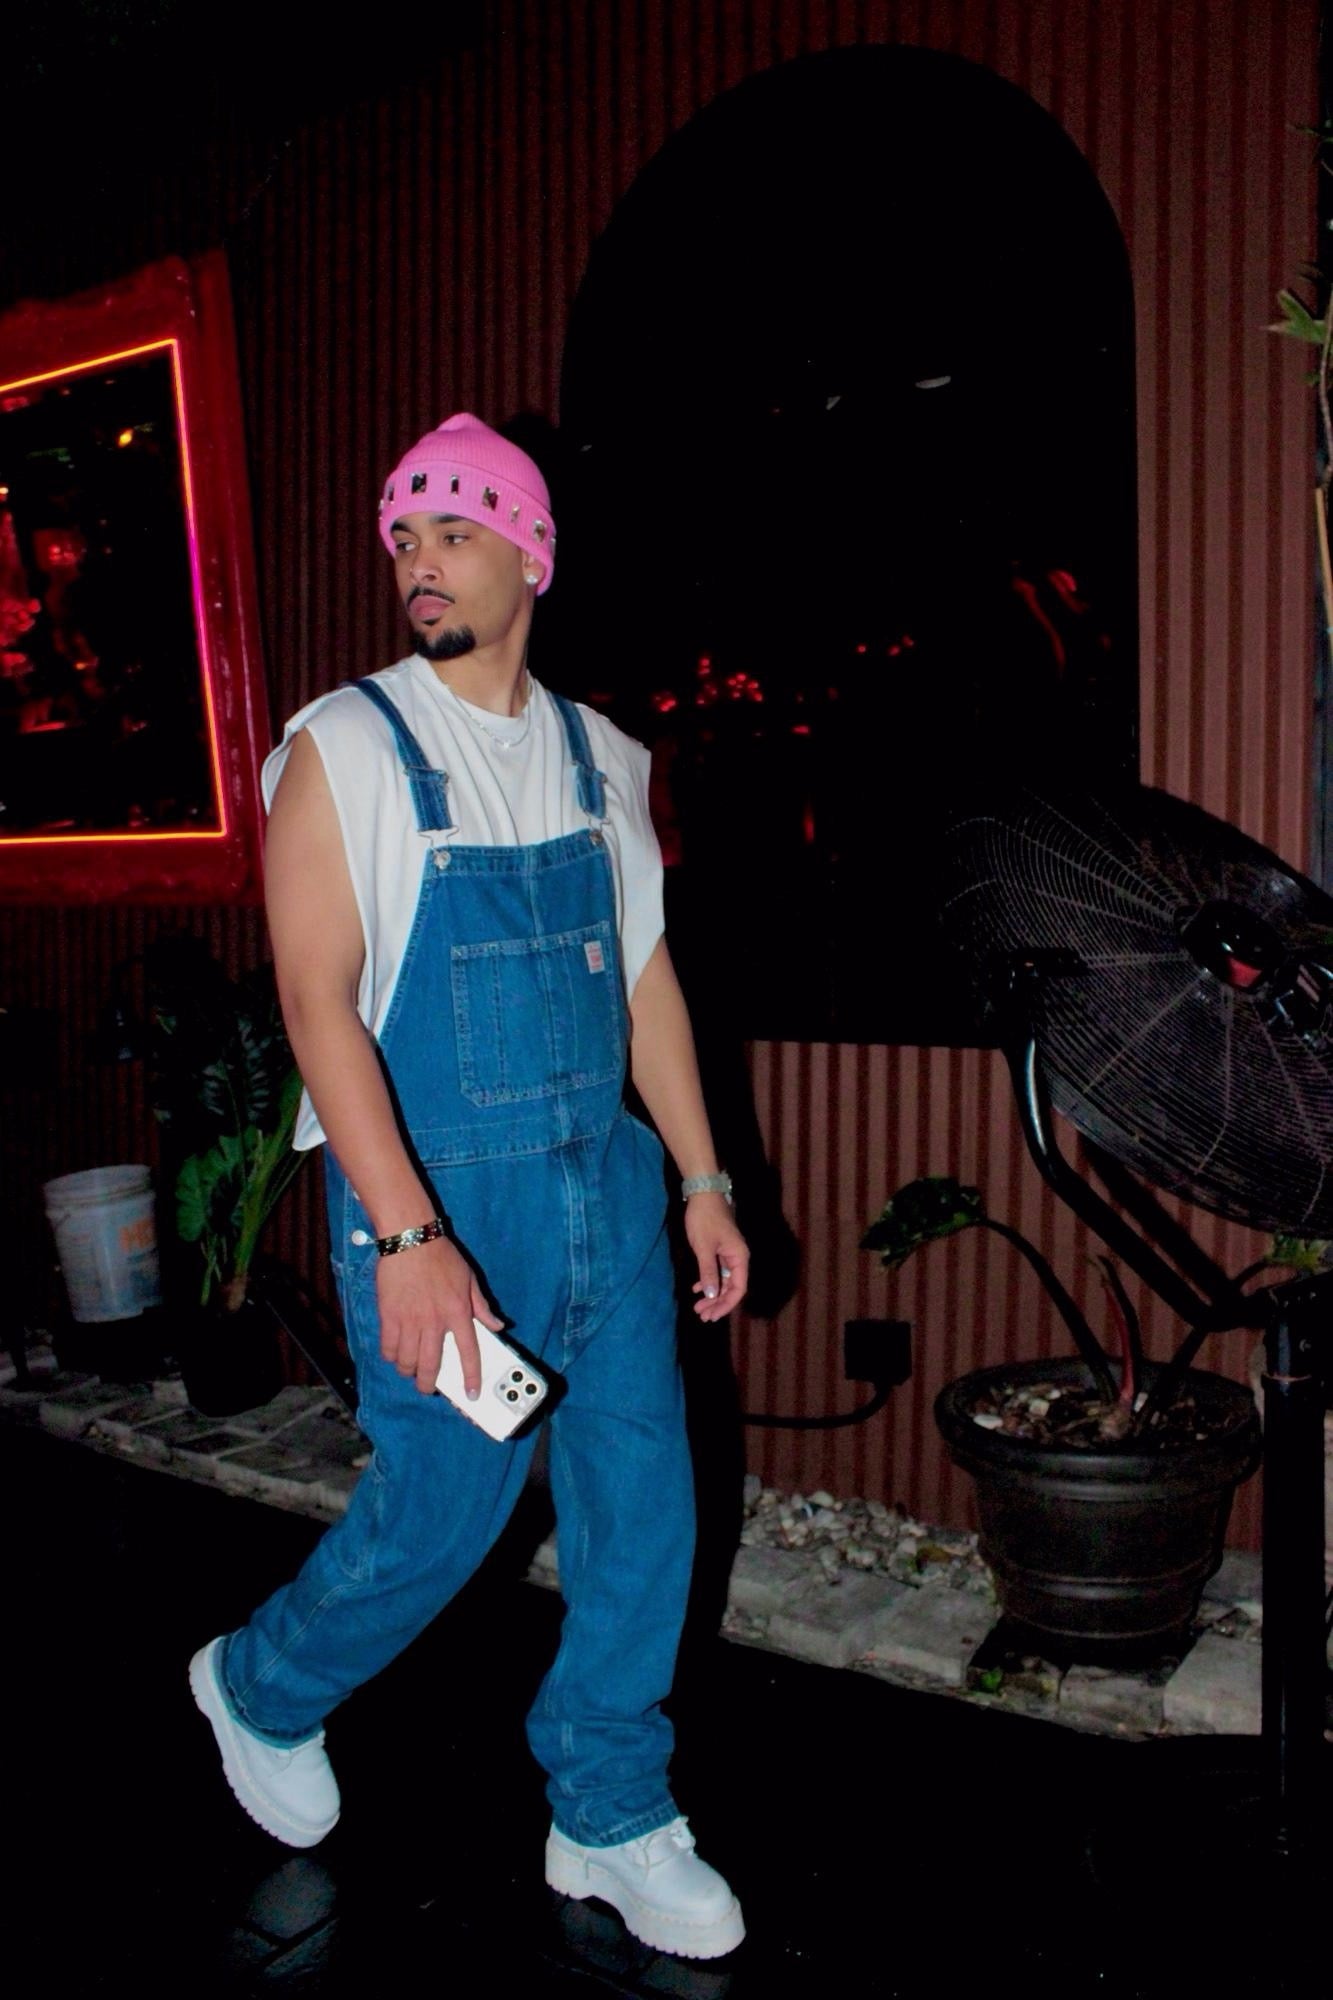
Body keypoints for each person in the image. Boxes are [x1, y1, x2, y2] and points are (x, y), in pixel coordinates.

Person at [188, 413, 750, 1962]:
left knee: (645, 1503)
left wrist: (700, 1178)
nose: (417, 564)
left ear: (529, 549)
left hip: (607, 1210)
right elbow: (318, 1002)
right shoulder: (344, 748)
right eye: (404, 541)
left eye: (448, 532)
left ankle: (612, 1809)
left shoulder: (606, 760)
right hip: (443, 1212)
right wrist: (412, 1238)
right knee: (453, 1503)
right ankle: (262, 1682)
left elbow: (643, 981)